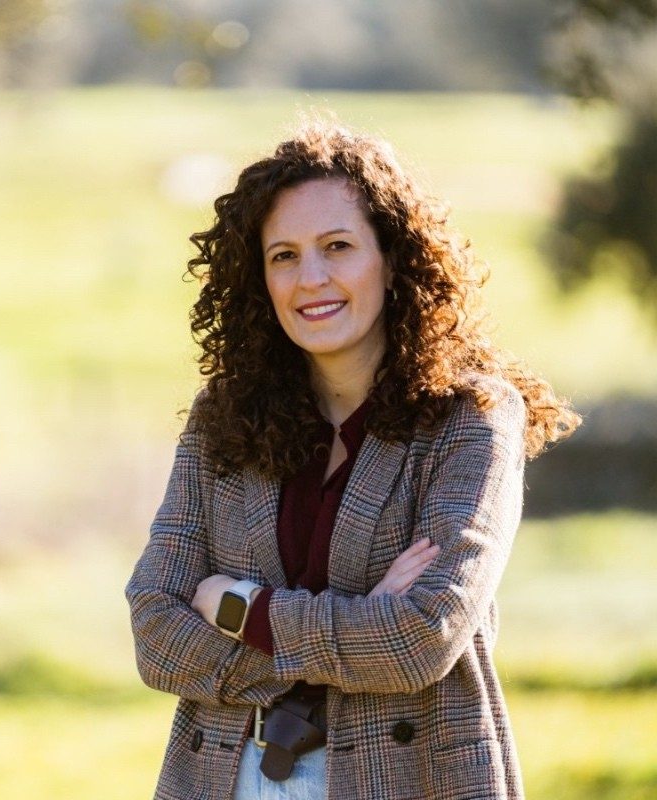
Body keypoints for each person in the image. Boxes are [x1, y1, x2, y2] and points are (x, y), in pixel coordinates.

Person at [126, 120, 580, 800]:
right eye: (283, 255)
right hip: (226, 778)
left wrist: (244, 612)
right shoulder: (221, 420)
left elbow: (425, 635)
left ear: (392, 258)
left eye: (337, 246)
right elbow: (155, 630)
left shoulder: (472, 419)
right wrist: (359, 624)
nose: (311, 278)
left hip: (411, 778)